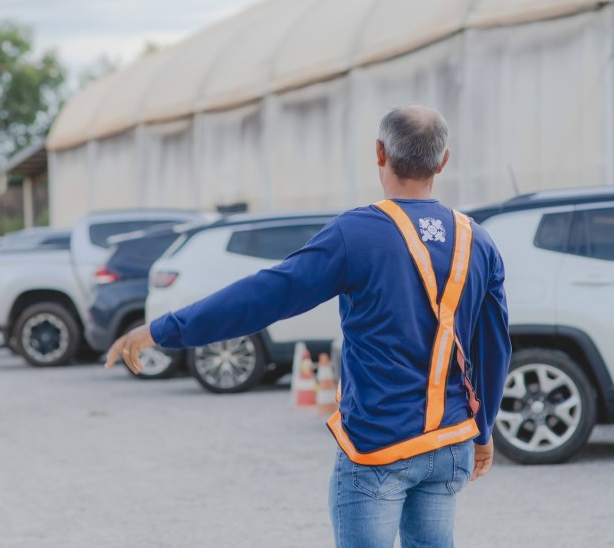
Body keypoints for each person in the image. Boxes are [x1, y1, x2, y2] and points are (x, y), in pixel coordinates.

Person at [107, 105, 511, 548]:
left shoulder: (356, 233)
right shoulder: (478, 240)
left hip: (378, 445)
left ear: (379, 153)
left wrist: (163, 330)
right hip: (450, 443)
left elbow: (267, 295)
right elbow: (494, 347)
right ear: (443, 161)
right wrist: (484, 429)